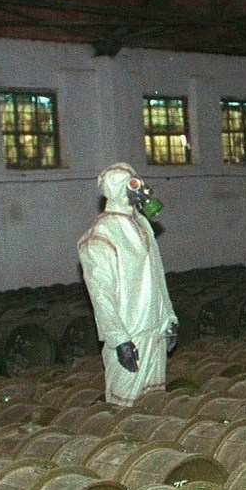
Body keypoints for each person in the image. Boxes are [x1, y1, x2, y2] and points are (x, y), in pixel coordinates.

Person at [77, 162, 177, 405]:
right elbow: (101, 294)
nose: (138, 189)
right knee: (126, 406)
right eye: (130, 185)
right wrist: (119, 339)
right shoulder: (101, 235)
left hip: (153, 330)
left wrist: (169, 319)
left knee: (154, 404)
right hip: (130, 333)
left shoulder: (142, 224)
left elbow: (155, 276)